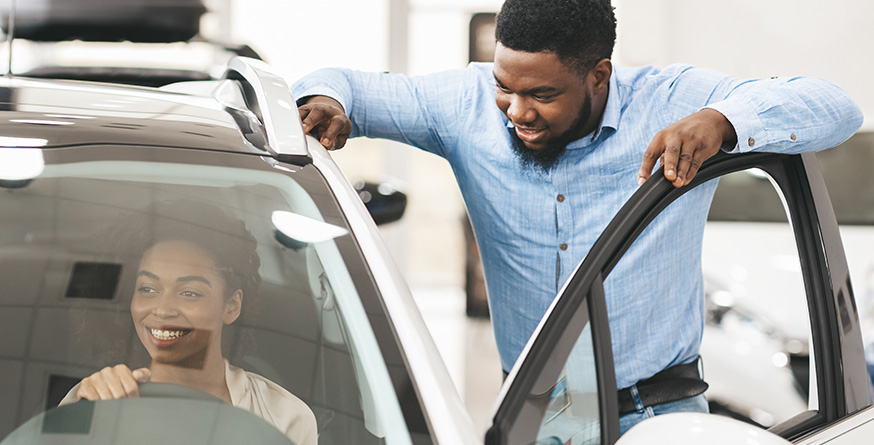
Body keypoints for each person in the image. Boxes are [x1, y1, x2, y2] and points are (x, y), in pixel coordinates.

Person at [292, 0, 862, 434]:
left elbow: (834, 105)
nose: (516, 111)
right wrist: (329, 101)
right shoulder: (463, 106)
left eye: (541, 94)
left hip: (661, 416)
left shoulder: (669, 100)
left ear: (598, 75)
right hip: (537, 418)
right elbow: (340, 86)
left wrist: (722, 121)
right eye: (503, 87)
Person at [60, 200, 318, 445]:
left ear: (232, 306)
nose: (162, 310)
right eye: (148, 289)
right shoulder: (92, 401)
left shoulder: (284, 417)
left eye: (189, 293)